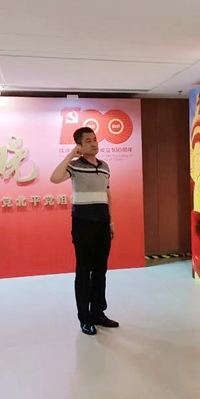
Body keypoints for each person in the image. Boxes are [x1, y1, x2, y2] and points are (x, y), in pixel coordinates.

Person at [50, 127, 119, 335]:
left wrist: (111, 221)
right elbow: (55, 178)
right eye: (88, 141)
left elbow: (107, 194)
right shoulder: (75, 166)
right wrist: (71, 155)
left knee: (100, 270)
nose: (94, 143)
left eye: (95, 139)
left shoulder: (105, 166)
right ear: (79, 145)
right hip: (83, 225)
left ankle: (98, 312)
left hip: (102, 224)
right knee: (84, 271)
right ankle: (85, 317)